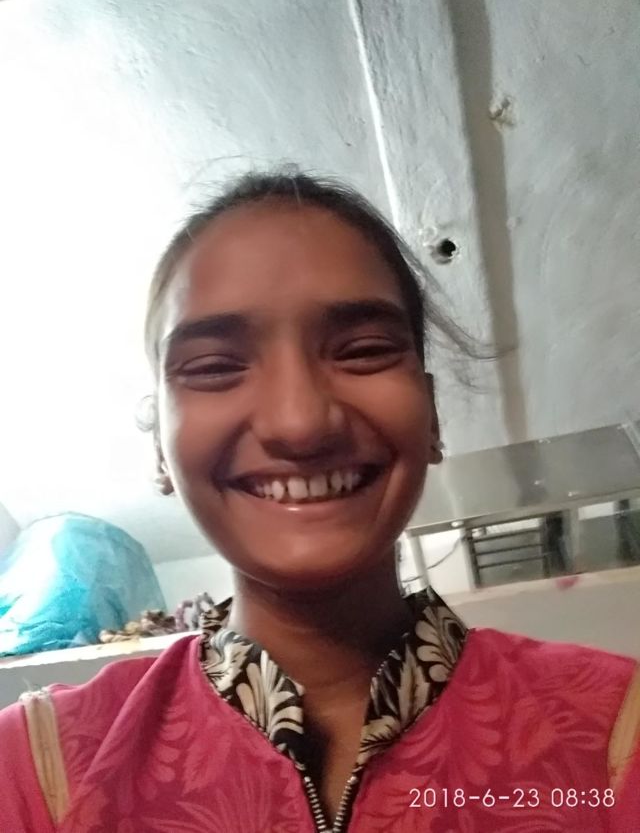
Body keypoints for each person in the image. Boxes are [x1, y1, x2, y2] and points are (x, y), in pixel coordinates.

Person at [0, 171, 638, 833]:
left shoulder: (614, 731)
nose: (300, 422)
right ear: (160, 444)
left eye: (363, 351)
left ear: (431, 418)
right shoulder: (37, 767)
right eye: (214, 367)